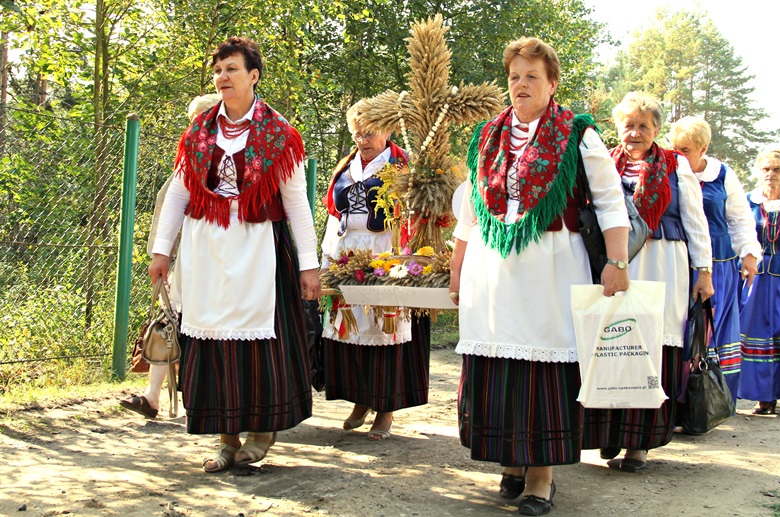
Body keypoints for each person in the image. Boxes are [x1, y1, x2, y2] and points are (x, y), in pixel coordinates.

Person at [448, 37, 630, 516]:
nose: (521, 84)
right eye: (514, 76)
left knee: (543, 370)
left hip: (551, 270)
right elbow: (471, 211)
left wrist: (617, 262)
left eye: (532, 76)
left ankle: (540, 477)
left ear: (552, 83)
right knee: (500, 367)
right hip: (493, 271)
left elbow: (611, 202)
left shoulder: (577, 134)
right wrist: (457, 267)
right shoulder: (488, 135)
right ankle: (511, 461)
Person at [148, 36, 321, 473]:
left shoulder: (279, 134)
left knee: (263, 344)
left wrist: (309, 265)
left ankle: (262, 432)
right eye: (218, 70)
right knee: (210, 342)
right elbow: (179, 195)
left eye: (231, 69)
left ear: (253, 75)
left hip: (260, 248)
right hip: (206, 250)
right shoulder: (198, 133)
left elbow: (297, 203)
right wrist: (161, 251)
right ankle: (226, 439)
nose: (222, 77)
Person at [583, 92, 714, 473]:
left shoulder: (675, 165)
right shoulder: (604, 162)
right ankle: (609, 432)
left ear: (657, 130)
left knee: (652, 351)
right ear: (617, 128)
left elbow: (695, 220)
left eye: (644, 126)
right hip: (615, 265)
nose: (635, 133)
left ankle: (639, 443)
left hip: (662, 264)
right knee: (613, 346)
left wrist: (704, 271)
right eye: (629, 125)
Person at [320, 100, 431, 441]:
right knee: (351, 329)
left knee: (384, 328)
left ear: (387, 130)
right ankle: (360, 400)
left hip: (387, 252)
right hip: (347, 253)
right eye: (357, 134)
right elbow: (335, 215)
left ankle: (385, 410)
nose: (362, 140)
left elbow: (419, 216)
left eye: (369, 133)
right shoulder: (346, 166)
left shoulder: (403, 166)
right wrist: (326, 259)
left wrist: (409, 261)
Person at [120, 93, 221, 420]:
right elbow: (169, 207)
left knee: (212, 329)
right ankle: (152, 397)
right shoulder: (189, 157)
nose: (194, 126)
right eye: (192, 120)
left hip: (222, 262)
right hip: (188, 260)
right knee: (168, 324)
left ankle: (215, 399)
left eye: (200, 119)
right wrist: (161, 255)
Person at [668, 116, 761, 403]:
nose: (678, 155)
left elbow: (740, 218)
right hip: (680, 262)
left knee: (713, 327)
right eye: (675, 149)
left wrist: (749, 254)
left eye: (685, 150)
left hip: (718, 265)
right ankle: (679, 399)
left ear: (703, 148)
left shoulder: (722, 175)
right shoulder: (668, 170)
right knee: (681, 327)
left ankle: (712, 399)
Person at [739, 149, 780, 415]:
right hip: (755, 276)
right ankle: (764, 396)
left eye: (776, 169)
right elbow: (738, 232)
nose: (770, 174)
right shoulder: (748, 202)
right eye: (765, 169)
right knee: (757, 332)